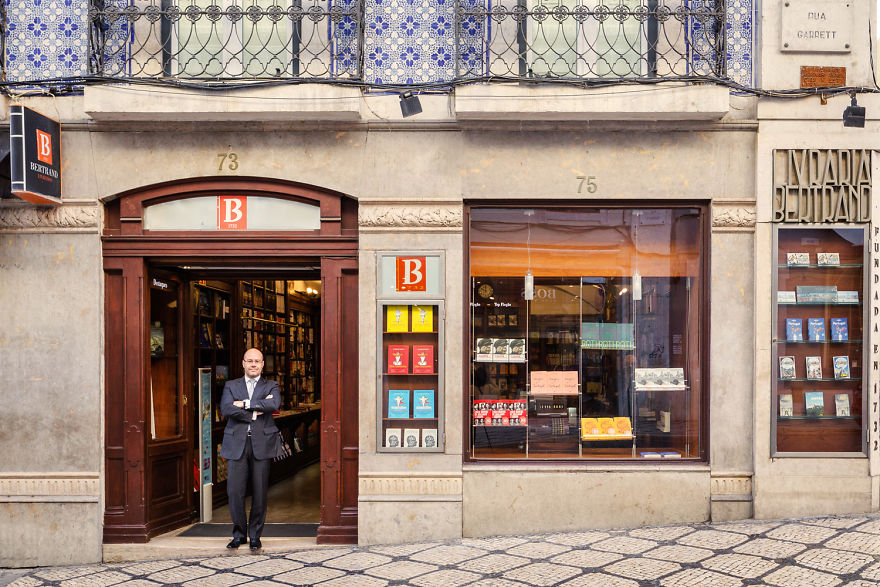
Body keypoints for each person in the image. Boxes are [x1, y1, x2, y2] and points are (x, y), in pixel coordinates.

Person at [220, 348, 282, 551]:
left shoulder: (271, 385)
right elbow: (226, 409)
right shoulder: (231, 385)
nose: (253, 364)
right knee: (234, 492)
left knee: (260, 491)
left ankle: (255, 535)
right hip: (237, 444)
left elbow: (274, 403)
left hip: (261, 444)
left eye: (257, 361)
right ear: (243, 363)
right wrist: (255, 412)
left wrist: (245, 404)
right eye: (250, 361)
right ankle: (239, 535)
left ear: (263, 364)